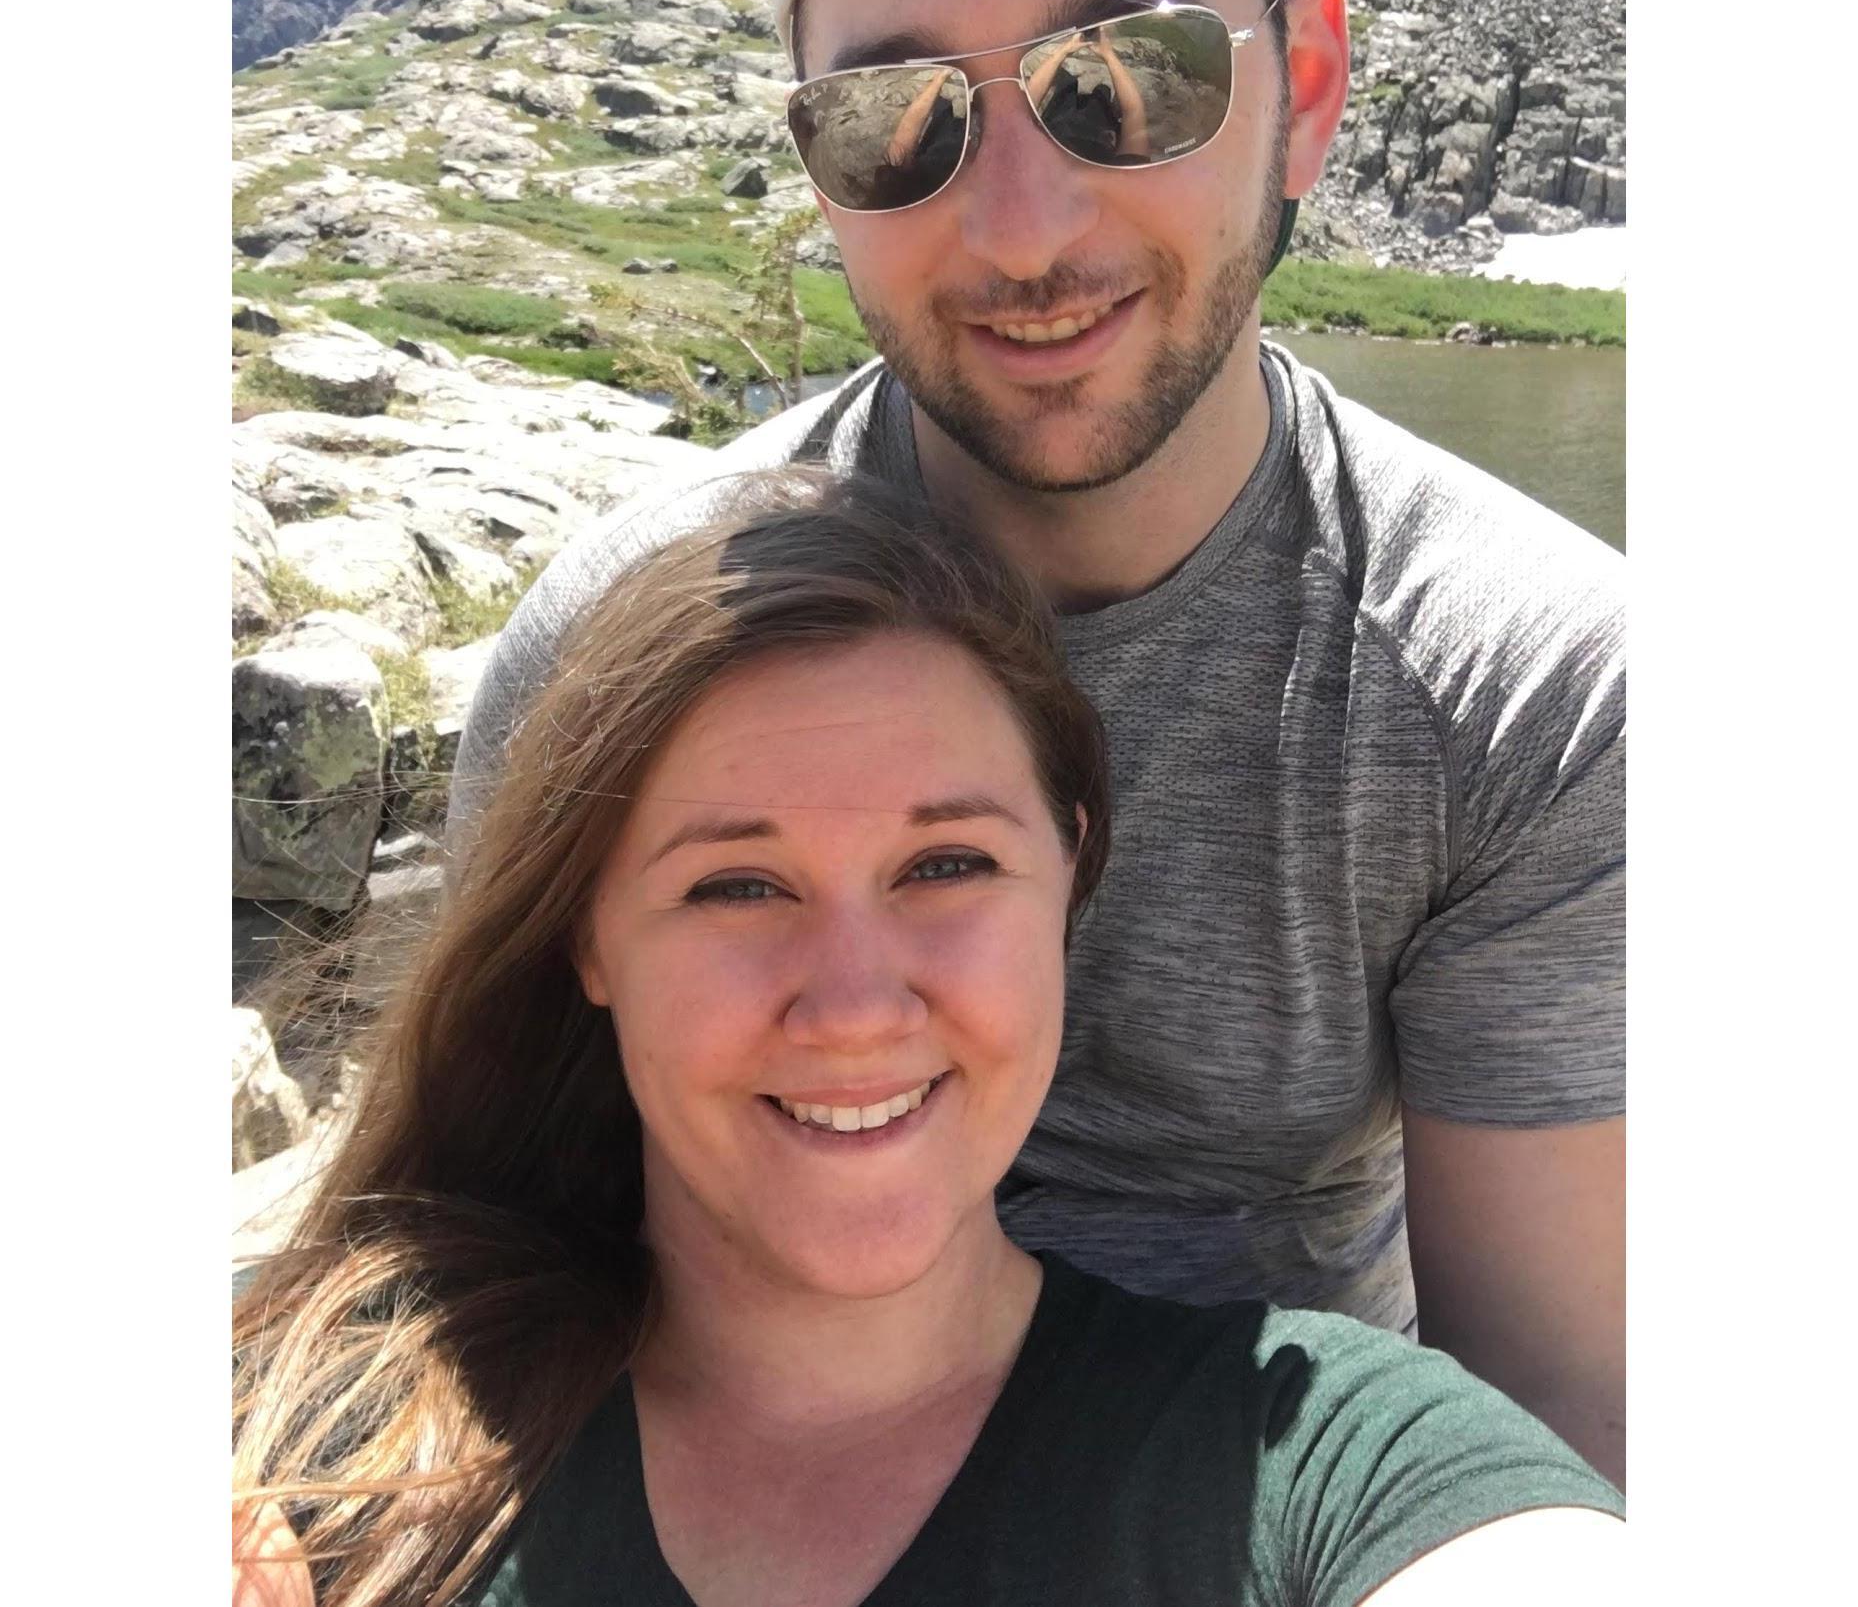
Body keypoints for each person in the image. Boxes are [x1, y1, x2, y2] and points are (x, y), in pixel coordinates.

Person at [449, 0, 1627, 1483]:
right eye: (894, 119)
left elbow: (1558, 1427)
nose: (1019, 228)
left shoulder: (1527, 687)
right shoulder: (621, 644)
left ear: (1305, 84)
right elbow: (476, 1247)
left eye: (1125, 78)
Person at [235, 473, 1623, 1607]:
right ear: (589, 936)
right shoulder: (334, 1436)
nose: (852, 1002)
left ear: (1066, 881)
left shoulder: (1325, 1456)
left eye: (945, 867)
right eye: (736, 884)